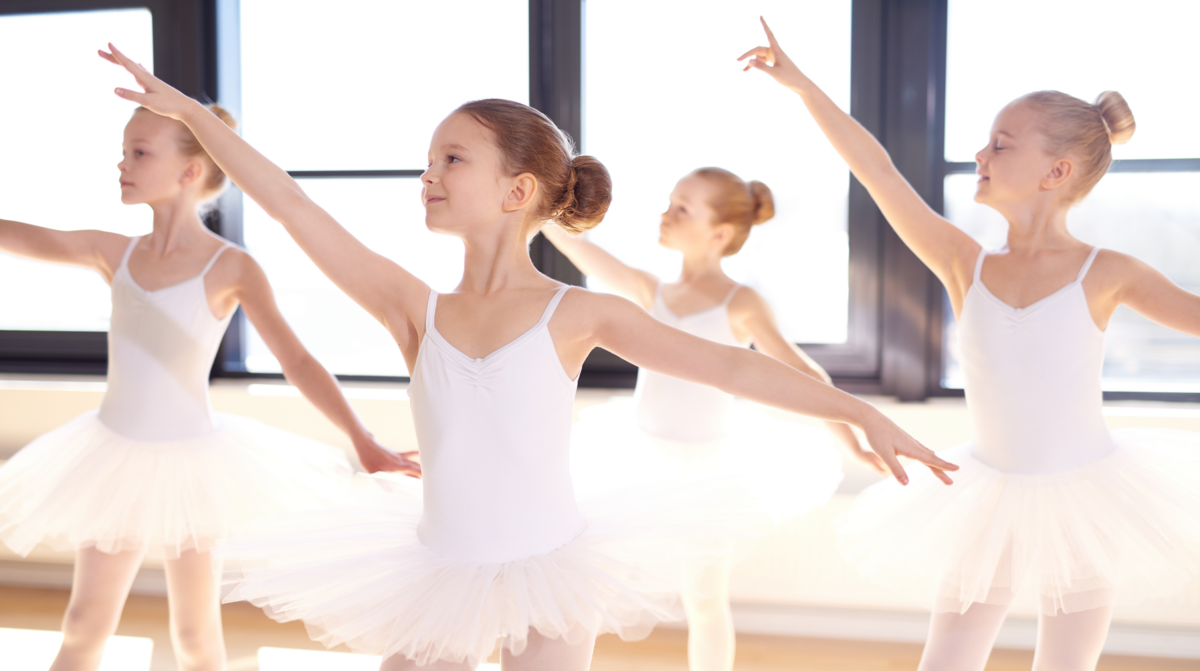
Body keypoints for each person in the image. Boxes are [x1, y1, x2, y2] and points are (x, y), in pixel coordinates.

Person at [102, 43, 955, 670]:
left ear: (517, 193)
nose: (428, 173)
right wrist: (184, 112)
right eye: (428, 158)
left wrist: (860, 410)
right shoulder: (411, 305)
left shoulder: (577, 312)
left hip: (552, 566)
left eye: (452, 159)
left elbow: (731, 367)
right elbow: (287, 202)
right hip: (437, 563)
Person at [739, 17, 1200, 671]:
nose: (981, 156)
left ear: (1056, 170)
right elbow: (877, 170)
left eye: (1001, 145)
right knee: (947, 659)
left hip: (1087, 495)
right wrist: (802, 86)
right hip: (983, 492)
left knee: (1066, 663)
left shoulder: (1108, 271)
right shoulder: (964, 262)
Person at [0, 100, 418, 671]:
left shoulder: (230, 267)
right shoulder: (112, 251)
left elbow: (297, 359)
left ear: (190, 171)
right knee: (83, 625)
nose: (121, 164)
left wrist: (363, 439)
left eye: (139, 153)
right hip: (111, 457)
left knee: (195, 635)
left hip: (194, 466)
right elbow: (21, 236)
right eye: (123, 152)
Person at [541, 167, 884, 671]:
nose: (666, 213)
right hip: (637, 457)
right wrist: (536, 211)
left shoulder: (739, 303)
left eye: (682, 208)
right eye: (670, 201)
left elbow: (801, 371)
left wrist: (850, 440)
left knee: (703, 600)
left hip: (708, 470)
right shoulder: (648, 291)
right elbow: (580, 251)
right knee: (590, 573)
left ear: (719, 234)